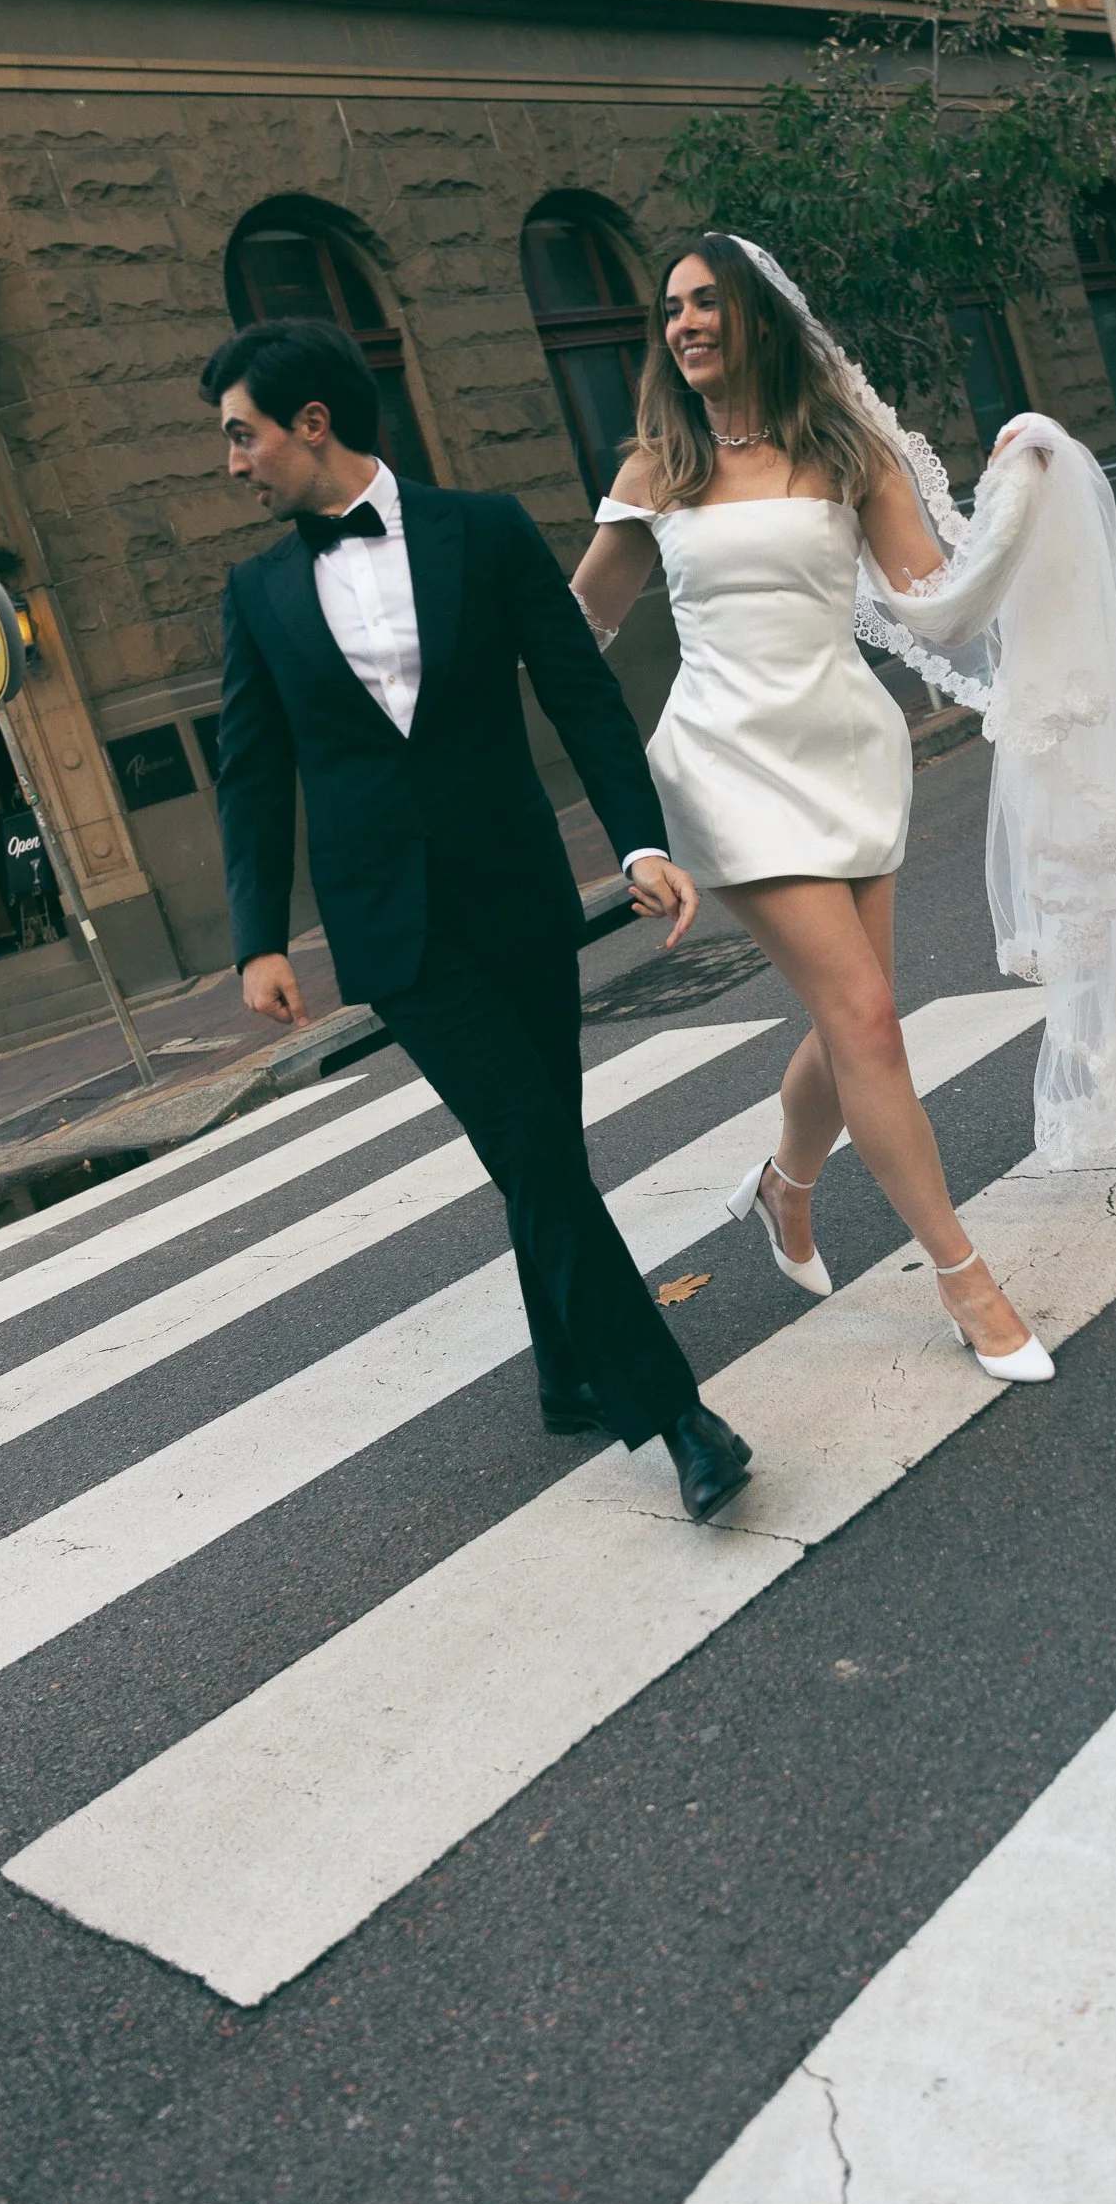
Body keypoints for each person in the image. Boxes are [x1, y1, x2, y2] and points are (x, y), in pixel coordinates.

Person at [572, 235, 1116, 1382]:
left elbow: (940, 613)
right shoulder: (658, 470)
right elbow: (576, 628)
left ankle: (783, 1187)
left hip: (847, 752)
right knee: (868, 1022)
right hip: (722, 765)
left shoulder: (848, 452)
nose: (683, 324)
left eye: (705, 303)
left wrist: (1015, 497)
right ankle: (965, 1280)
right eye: (669, 311)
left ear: (756, 314)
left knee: (857, 1020)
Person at [205, 316, 752, 1524]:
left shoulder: (484, 531)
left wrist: (640, 843)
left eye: (242, 437)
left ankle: (565, 1372)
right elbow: (252, 777)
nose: (233, 464)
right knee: (537, 1147)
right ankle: (676, 1416)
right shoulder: (255, 594)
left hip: (515, 898)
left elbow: (578, 691)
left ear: (313, 423)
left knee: (541, 1143)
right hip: (396, 934)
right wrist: (256, 938)